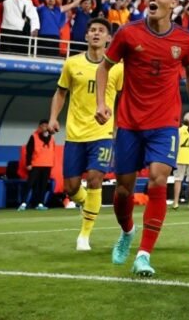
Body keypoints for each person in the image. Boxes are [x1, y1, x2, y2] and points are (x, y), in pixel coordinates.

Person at [95, 0, 189, 278]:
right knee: (124, 190)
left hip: (165, 124)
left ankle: (143, 254)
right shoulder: (128, 33)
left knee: (157, 179)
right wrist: (101, 104)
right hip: (129, 123)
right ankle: (127, 232)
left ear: (173, 3)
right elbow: (104, 67)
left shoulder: (185, 40)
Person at [48, 18, 124, 250]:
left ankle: (84, 235)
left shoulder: (118, 67)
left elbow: (122, 100)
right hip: (74, 134)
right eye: (92, 30)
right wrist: (52, 118)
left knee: (95, 178)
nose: (96, 34)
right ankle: (86, 204)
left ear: (109, 38)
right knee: (70, 188)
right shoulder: (72, 64)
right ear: (86, 36)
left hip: (102, 133)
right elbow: (61, 93)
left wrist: (117, 128)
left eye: (101, 31)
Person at [20, 120, 56, 211]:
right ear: (39, 127)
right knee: (30, 184)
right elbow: (29, 151)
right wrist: (28, 163)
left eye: (46, 126)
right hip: (35, 164)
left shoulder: (51, 138)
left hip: (47, 165)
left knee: (43, 185)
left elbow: (53, 151)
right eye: (43, 126)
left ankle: (40, 203)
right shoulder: (34, 137)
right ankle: (23, 203)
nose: (44, 128)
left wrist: (52, 164)